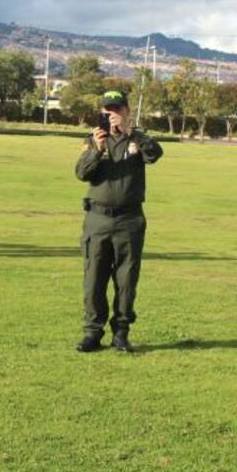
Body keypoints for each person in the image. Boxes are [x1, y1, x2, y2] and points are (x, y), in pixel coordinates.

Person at [73, 90, 163, 353]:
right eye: (107, 110)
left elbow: (155, 154)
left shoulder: (137, 139)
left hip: (129, 220)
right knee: (94, 279)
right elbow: (81, 174)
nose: (112, 114)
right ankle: (92, 333)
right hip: (98, 219)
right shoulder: (92, 140)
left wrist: (131, 132)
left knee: (126, 281)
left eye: (117, 109)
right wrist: (98, 150)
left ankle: (121, 333)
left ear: (126, 111)